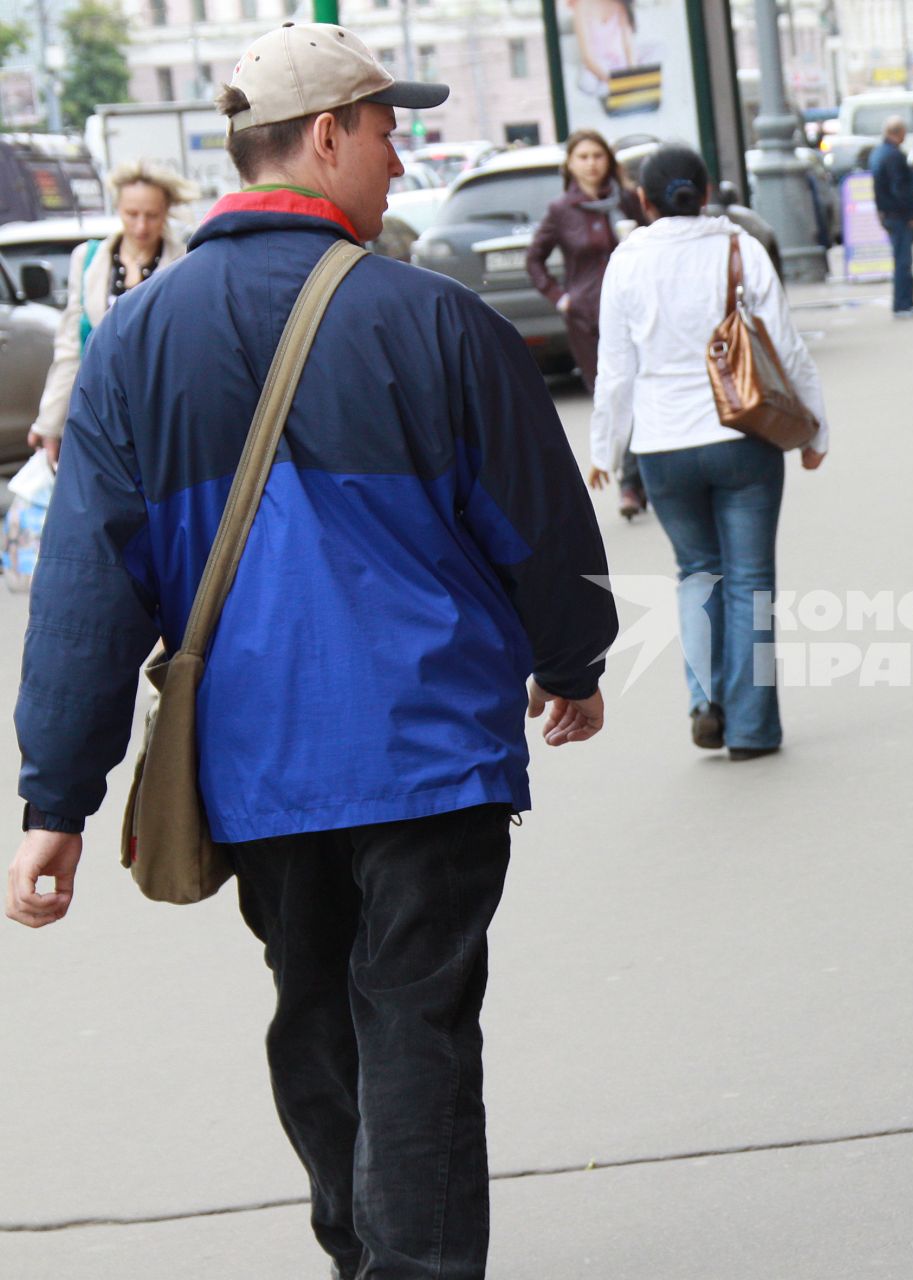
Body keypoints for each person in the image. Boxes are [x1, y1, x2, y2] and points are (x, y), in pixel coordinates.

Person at [6, 24, 618, 1280]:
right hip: (430, 750)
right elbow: (539, 526)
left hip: (256, 763)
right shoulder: (437, 323)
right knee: (421, 1018)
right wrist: (572, 661)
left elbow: (88, 587)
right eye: (389, 128)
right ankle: (417, 1264)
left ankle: (360, 1248)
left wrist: (54, 798)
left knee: (317, 1008)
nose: (402, 156)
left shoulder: (132, 341)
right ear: (327, 136)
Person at [588, 145, 830, 759]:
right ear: (705, 190)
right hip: (742, 437)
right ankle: (751, 729)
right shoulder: (739, 248)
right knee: (749, 583)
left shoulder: (627, 261)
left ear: (643, 200)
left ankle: (705, 700)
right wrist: (814, 430)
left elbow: (615, 370)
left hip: (663, 448)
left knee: (697, 575)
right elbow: (785, 345)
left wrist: (604, 450)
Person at [30, 161, 195, 466]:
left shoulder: (186, 261)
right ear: (117, 207)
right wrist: (50, 422)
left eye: (152, 215)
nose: (141, 226)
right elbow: (71, 346)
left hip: (165, 416)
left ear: (167, 211)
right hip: (102, 413)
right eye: (132, 214)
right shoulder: (89, 259)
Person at [527, 129, 648, 517]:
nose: (591, 163)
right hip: (588, 319)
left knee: (641, 390)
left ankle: (633, 484)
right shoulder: (561, 210)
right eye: (583, 157)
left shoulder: (627, 201)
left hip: (635, 310)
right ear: (570, 164)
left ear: (608, 161)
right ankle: (630, 481)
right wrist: (561, 299)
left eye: (598, 155)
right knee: (611, 393)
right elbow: (535, 260)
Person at [871, 115, 913, 319]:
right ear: (898, 133)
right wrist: (912, 213)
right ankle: (904, 304)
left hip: (889, 213)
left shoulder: (880, 153)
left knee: (901, 259)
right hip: (898, 214)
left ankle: (904, 303)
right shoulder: (894, 156)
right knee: (904, 260)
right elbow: (900, 188)